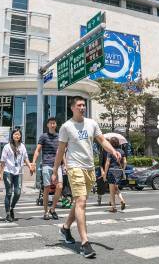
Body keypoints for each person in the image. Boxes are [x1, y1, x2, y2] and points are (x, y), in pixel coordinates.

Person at [52, 96, 121, 259]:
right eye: (79, 105)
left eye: (84, 105)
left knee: (78, 202)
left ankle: (65, 228)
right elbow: (60, 150)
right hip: (74, 168)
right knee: (81, 202)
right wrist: (55, 170)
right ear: (72, 108)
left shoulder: (92, 123)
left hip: (89, 169)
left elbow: (102, 140)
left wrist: (113, 151)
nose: (82, 107)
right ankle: (85, 243)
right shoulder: (66, 127)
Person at [0, 128, 34, 222]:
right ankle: (8, 214)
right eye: (15, 134)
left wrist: (30, 166)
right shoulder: (7, 147)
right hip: (8, 172)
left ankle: (12, 208)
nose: (17, 136)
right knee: (9, 193)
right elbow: (3, 161)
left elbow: (26, 158)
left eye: (18, 134)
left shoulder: (22, 146)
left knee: (17, 193)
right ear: (12, 136)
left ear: (20, 136)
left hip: (18, 172)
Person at [32, 117, 65, 220]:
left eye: (54, 123)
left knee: (59, 186)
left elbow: (61, 151)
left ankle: (53, 209)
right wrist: (33, 162)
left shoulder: (59, 137)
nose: (52, 125)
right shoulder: (43, 136)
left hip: (57, 164)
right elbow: (37, 150)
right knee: (46, 188)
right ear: (47, 125)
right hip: (46, 164)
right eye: (50, 123)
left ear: (56, 125)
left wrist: (66, 165)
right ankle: (46, 212)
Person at [102, 137, 127, 213]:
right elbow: (125, 162)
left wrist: (105, 174)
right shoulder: (122, 151)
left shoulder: (110, 151)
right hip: (119, 171)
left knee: (111, 191)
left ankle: (114, 207)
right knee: (116, 188)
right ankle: (122, 199)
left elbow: (107, 163)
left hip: (112, 171)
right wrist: (123, 169)